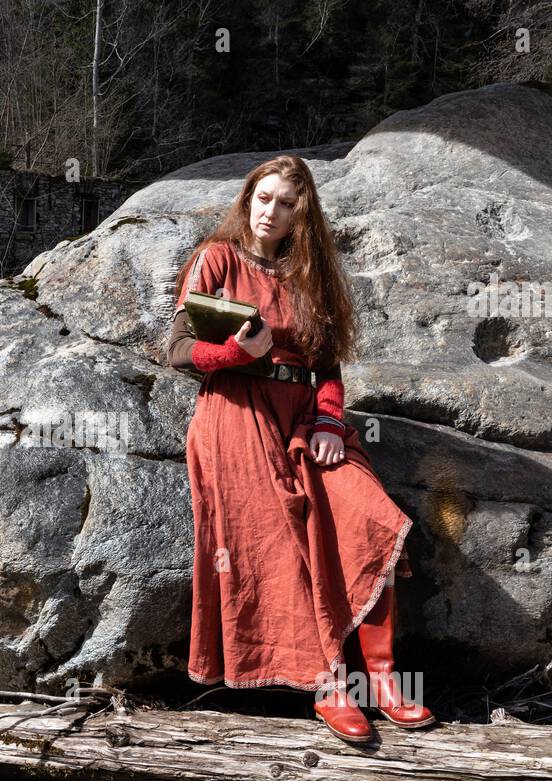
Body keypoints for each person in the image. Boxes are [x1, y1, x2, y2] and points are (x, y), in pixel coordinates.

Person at [167, 154, 436, 743]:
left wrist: (329, 424)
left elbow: (328, 367)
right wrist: (239, 353)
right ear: (248, 198)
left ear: (301, 214)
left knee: (370, 517)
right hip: (234, 416)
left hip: (303, 421)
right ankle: (332, 687)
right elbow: (180, 351)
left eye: (286, 203)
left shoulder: (307, 275)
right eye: (263, 198)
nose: (271, 211)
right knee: (283, 545)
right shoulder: (217, 258)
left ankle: (384, 681)